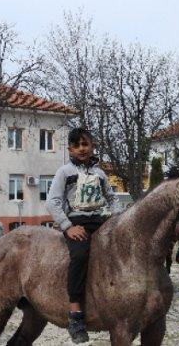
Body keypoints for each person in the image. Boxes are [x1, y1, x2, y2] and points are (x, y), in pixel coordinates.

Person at [46, 127, 119, 344]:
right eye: (77, 145)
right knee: (79, 257)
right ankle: (75, 313)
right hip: (77, 222)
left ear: (92, 146)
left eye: (85, 144)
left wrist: (115, 217)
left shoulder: (100, 173)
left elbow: (112, 198)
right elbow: (53, 202)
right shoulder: (64, 172)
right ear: (70, 149)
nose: (82, 149)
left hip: (100, 220)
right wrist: (67, 226)